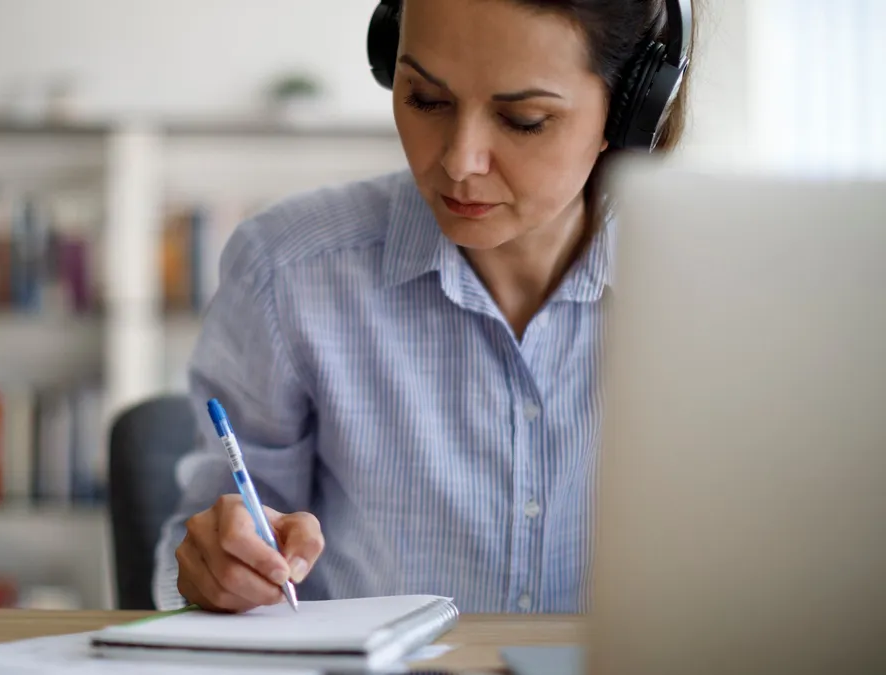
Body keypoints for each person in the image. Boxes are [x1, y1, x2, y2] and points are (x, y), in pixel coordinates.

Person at [153, 0, 698, 614]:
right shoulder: (287, 270)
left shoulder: (718, 291)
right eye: (426, 101)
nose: (459, 161)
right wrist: (217, 571)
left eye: (522, 119)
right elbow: (206, 546)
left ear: (630, 110)